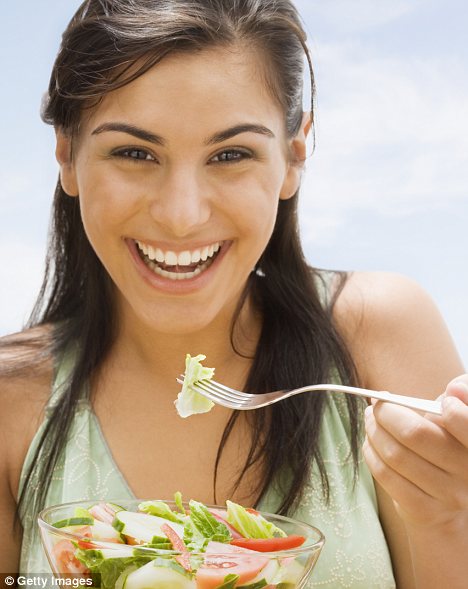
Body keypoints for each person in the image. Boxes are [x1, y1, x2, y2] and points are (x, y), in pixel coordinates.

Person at [0, 0, 467, 586]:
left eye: (230, 155)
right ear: (67, 154)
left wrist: (447, 517)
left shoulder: (379, 332)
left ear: (295, 154)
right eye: (134, 153)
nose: (180, 215)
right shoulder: (9, 403)